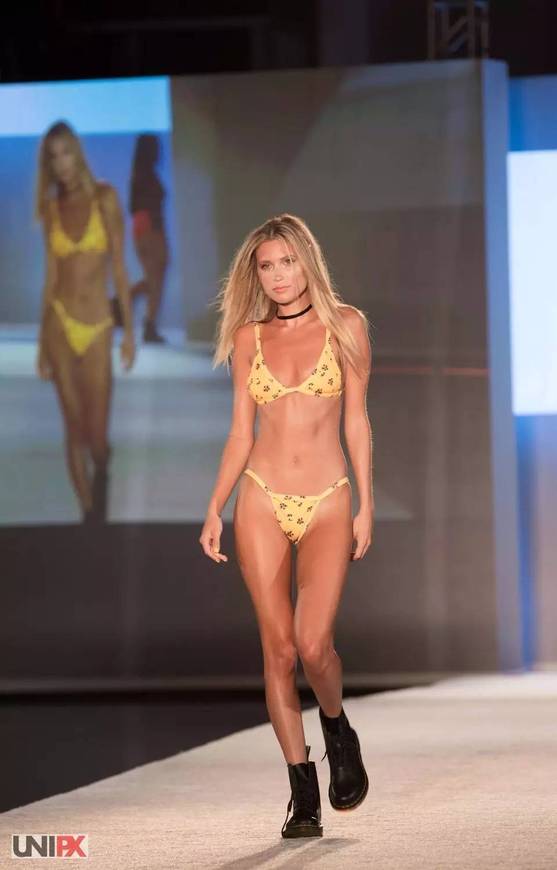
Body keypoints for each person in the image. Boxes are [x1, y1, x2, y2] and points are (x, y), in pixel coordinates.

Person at [199, 214, 373, 838]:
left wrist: (366, 504)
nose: (278, 276)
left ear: (308, 262)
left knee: (313, 644)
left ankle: (336, 726)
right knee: (277, 649)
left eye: (287, 262)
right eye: (266, 266)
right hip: (261, 497)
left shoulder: (346, 325)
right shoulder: (248, 338)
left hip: (328, 497)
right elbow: (239, 433)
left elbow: (356, 420)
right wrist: (214, 507)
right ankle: (303, 794)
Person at [35, 120, 135, 524]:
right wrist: (41, 344)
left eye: (66, 153)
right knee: (73, 427)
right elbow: (51, 277)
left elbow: (120, 269)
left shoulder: (105, 198)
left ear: (77, 154)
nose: (61, 163)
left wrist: (129, 332)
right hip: (59, 323)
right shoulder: (51, 209)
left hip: (97, 326)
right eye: (53, 157)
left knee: (96, 436)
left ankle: (103, 468)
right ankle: (90, 514)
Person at [111, 133, 168, 343]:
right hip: (150, 226)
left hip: (141, 226)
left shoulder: (138, 176)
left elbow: (134, 207)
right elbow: (149, 207)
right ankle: (146, 323)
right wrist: (158, 231)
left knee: (153, 278)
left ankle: (123, 304)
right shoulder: (148, 177)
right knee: (156, 278)